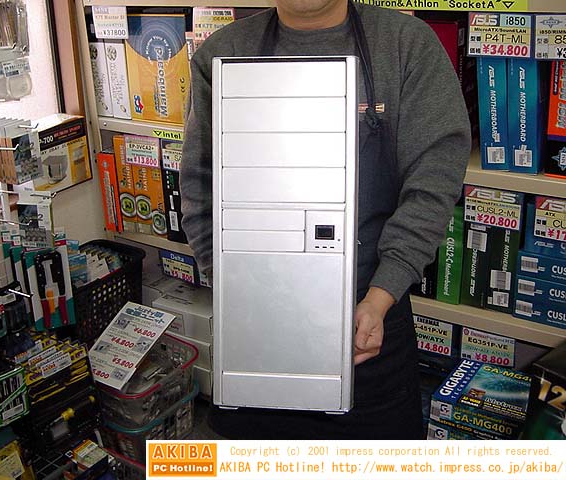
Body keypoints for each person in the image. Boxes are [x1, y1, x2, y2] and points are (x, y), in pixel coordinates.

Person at [180, 0, 471, 439]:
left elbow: (434, 181)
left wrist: (382, 294)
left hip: (373, 312)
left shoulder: (404, 44)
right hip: (257, 315)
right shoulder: (224, 52)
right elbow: (200, 188)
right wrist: (239, 291)